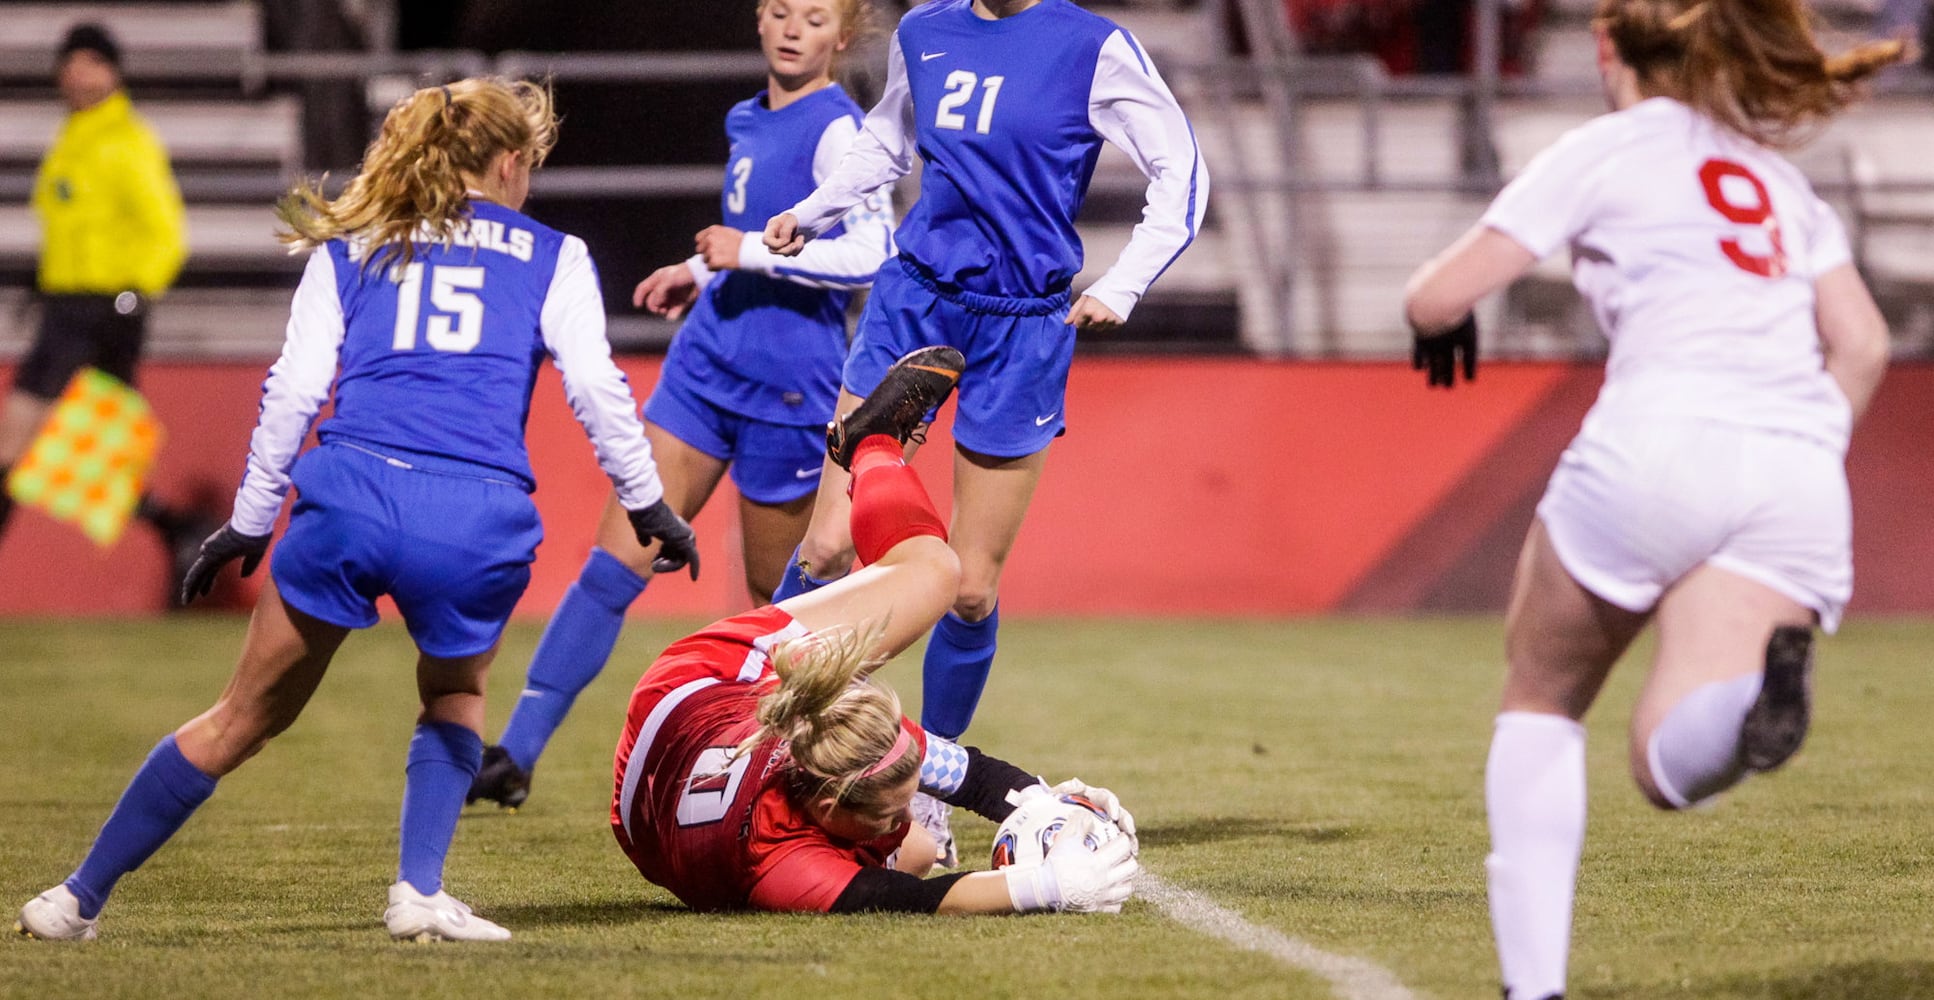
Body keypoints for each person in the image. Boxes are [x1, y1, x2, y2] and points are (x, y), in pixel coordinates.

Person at [13, 77, 699, 944]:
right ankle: (417, 892)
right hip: (475, 513)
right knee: (455, 695)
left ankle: (75, 899)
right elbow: (599, 393)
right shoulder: (551, 253)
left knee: (240, 717)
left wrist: (252, 521)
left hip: (353, 496)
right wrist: (648, 506)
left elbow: (294, 393)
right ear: (510, 161)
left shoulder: (355, 243)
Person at [1402, 3, 1900, 997]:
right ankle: (1750, 708)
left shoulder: (1603, 150)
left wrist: (1435, 318)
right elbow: (1863, 345)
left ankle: (1530, 987)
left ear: (1605, 48)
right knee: (1663, 765)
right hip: (1795, 472)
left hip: (1653, 444)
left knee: (1541, 697)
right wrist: (1801, 446)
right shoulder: (1777, 179)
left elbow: (1439, 294)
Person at [760, 0, 1210, 860]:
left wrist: (1127, 281)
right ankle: (742, 734)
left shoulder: (1093, 47)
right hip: (915, 299)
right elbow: (888, 141)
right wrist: (816, 210)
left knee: (968, 587)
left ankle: (928, 791)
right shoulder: (926, 31)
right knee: (824, 548)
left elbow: (1181, 171)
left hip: (1024, 322)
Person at [467, 0, 895, 812]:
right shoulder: (747, 116)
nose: (791, 27)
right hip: (707, 363)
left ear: (843, 36)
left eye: (812, 16)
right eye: (778, 11)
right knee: (618, 554)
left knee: (783, 605)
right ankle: (513, 756)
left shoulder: (841, 130)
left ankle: (829, 769)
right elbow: (749, 237)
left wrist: (750, 252)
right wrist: (698, 274)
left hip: (791, 385)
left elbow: (874, 253)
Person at [612, 346, 1139, 914]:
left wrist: (1044, 800)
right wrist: (1050, 887)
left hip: (702, 680)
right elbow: (908, 897)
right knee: (916, 852)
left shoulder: (850, 739)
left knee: (934, 573)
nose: (901, 816)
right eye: (887, 813)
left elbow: (972, 779)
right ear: (830, 805)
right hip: (694, 752)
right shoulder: (780, 863)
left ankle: (870, 443)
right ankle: (872, 446)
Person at [1, 23, 210, 586]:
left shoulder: (127, 141)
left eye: (92, 60)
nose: (78, 71)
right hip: (65, 306)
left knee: (16, 442)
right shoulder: (74, 135)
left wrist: (129, 296)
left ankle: (181, 530)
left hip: (99, 310)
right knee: (89, 456)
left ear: (114, 71)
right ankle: (180, 530)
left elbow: (167, 232)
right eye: (70, 60)